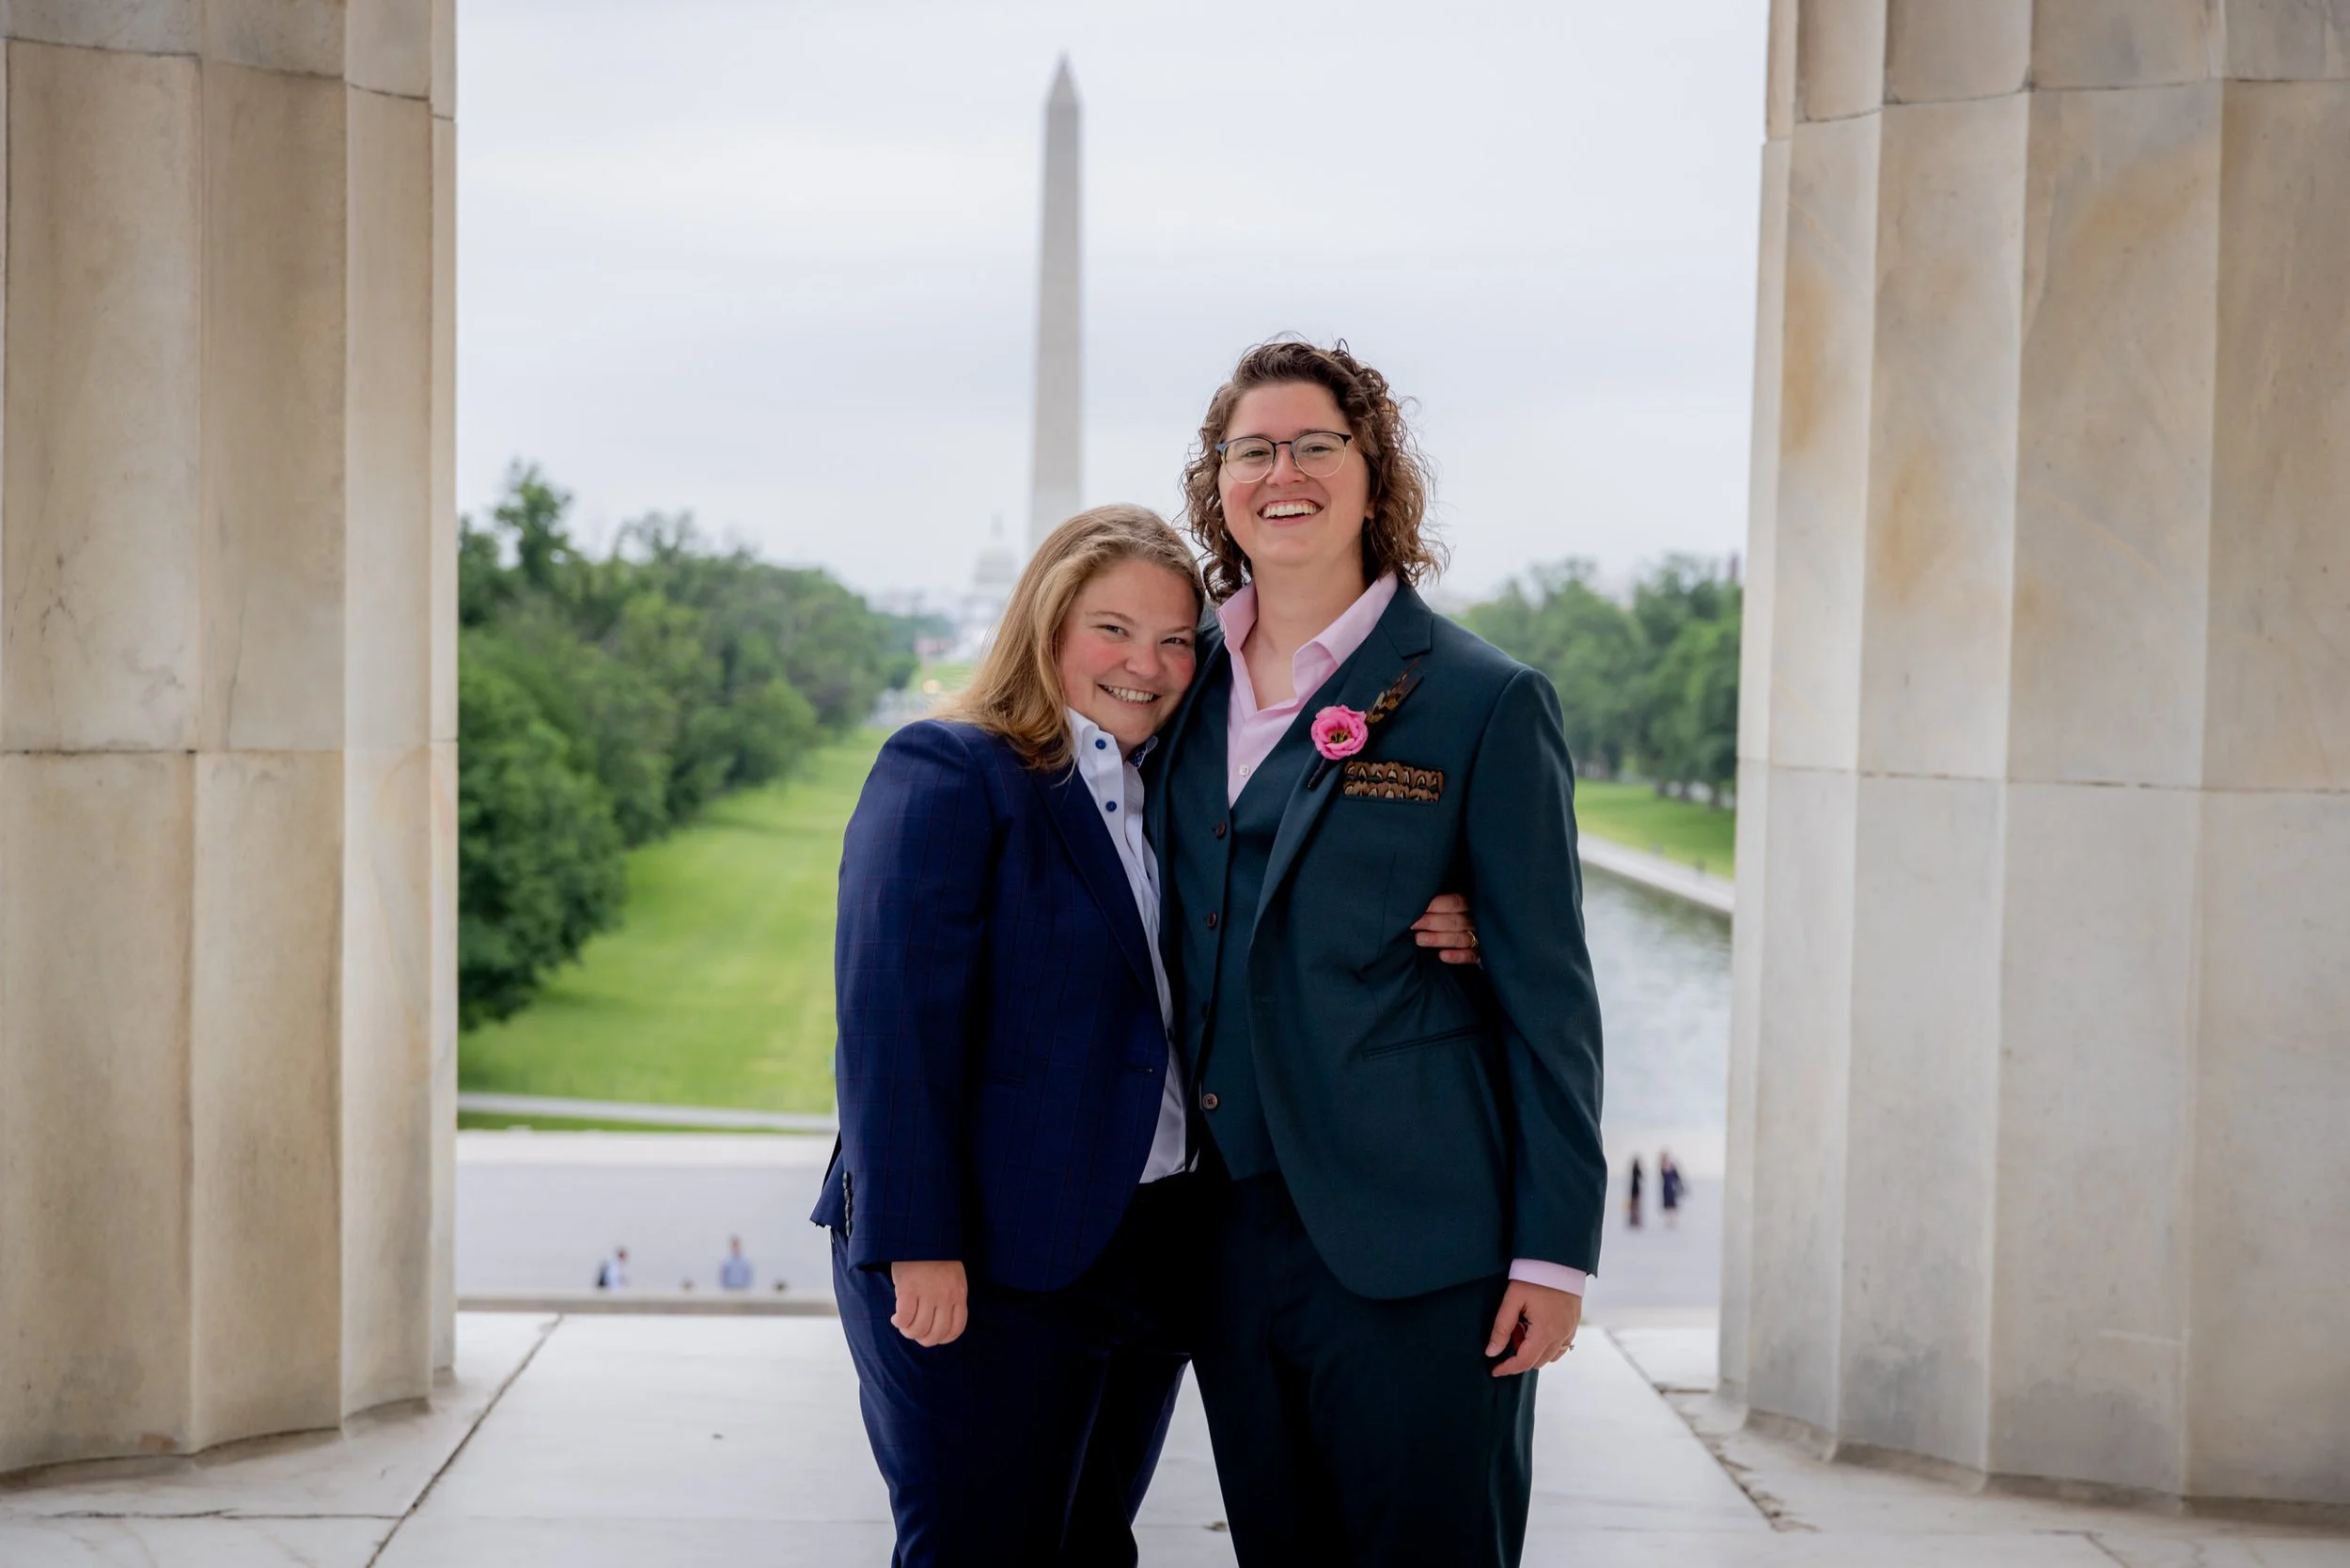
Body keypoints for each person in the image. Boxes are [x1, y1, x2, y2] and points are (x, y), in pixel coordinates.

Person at [810, 504, 1480, 1567]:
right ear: (1046, 625)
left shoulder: (1169, 785)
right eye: (1112, 630)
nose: (1148, 664)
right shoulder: (952, 770)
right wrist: (917, 1244)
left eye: (1175, 639)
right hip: (983, 1256)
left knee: (1089, 1545)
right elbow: (891, 1029)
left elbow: (1276, 915)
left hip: (1140, 1252)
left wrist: (1447, 911)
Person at [1148, 339, 1606, 1568]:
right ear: (1218, 483)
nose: (1282, 472)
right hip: (1221, 1237)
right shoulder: (1171, 684)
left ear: (1373, 473)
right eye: (1252, 450)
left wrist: (1553, 1253)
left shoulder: (1482, 699)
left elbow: (1552, 998)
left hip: (1423, 1242)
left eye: (1317, 445)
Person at [1659, 1151, 1684, 1230]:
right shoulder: (1663, 1168)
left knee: (1672, 1206)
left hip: (1672, 1189)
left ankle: (1673, 1221)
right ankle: (1669, 1221)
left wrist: (1679, 1186)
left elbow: (1677, 1178)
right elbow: (1662, 1173)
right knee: (1668, 1206)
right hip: (1667, 1189)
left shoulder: (1672, 1168)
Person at [1627, 1155, 1645, 1230]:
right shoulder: (1636, 1170)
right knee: (1636, 1207)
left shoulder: (1634, 1170)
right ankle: (1635, 1222)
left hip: (1633, 1191)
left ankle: (1634, 1222)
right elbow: (1641, 1176)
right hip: (1636, 1191)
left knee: (1634, 1207)